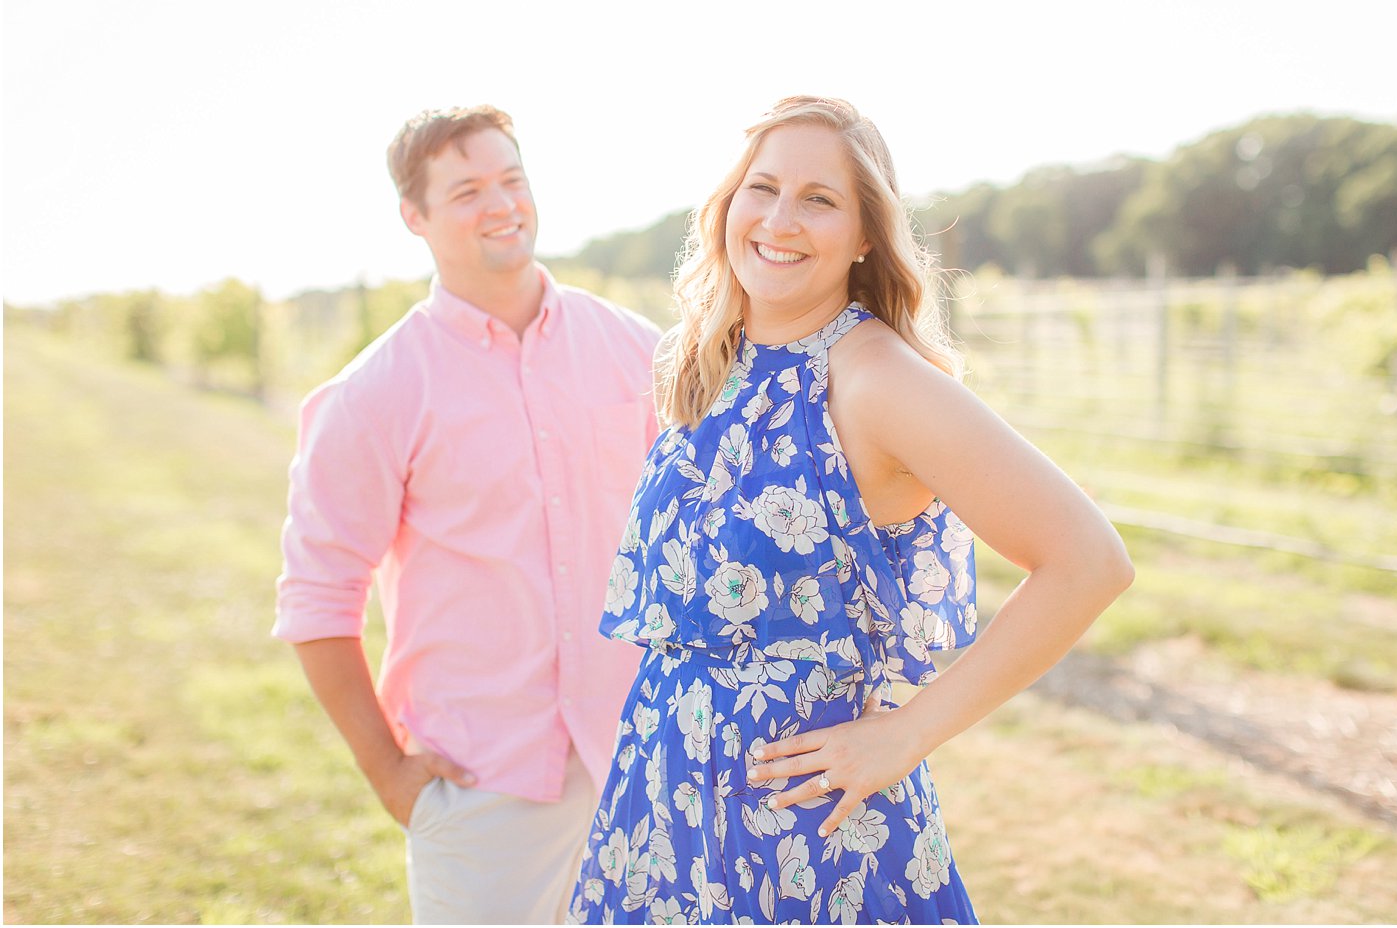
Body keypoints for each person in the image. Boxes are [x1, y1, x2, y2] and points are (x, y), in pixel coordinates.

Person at [565, 95, 1134, 924]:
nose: (780, 220)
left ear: (866, 234)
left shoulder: (877, 380)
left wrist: (907, 733)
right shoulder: (713, 361)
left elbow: (1089, 562)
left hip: (807, 837)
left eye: (820, 199)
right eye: (762, 189)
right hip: (667, 811)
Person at [274, 105, 662, 924]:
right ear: (413, 217)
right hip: (484, 789)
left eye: (511, 180)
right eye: (467, 191)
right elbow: (317, 600)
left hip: (648, 765)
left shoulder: (637, 350)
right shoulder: (375, 395)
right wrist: (389, 773)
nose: (502, 205)